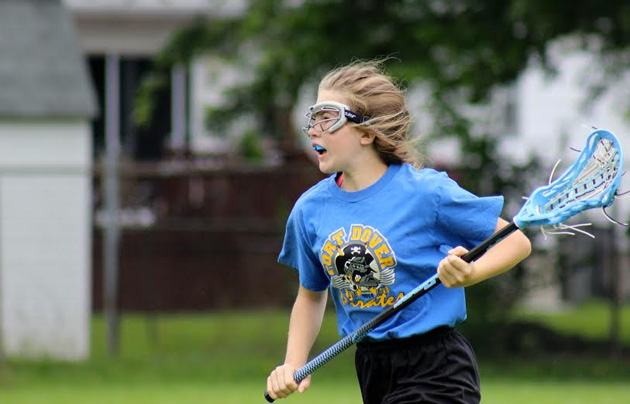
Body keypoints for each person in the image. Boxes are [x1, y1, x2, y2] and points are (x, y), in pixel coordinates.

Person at [265, 59, 531, 404]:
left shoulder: (425, 194)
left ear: (366, 132)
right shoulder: (310, 210)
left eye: (328, 117)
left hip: (437, 366)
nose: (314, 129)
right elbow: (311, 295)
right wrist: (293, 364)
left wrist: (471, 272)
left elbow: (517, 241)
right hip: (373, 368)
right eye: (313, 117)